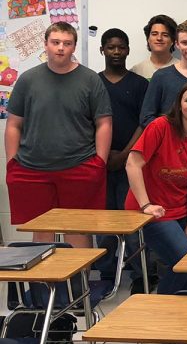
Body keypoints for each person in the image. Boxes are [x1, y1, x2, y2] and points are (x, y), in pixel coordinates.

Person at [5, 22, 112, 246]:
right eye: (55, 42)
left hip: (79, 166)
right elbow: (14, 124)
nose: (60, 48)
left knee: (78, 230)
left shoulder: (90, 79)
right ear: (45, 45)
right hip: (33, 169)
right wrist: (11, 163)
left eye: (67, 43)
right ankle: (46, 282)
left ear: (74, 47)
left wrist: (99, 162)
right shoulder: (27, 79)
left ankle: (80, 282)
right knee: (42, 232)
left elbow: (104, 123)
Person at [125, 81, 187, 295]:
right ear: (179, 104)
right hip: (151, 209)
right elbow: (132, 164)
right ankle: (163, 306)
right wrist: (146, 205)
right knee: (184, 259)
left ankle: (180, 308)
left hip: (182, 209)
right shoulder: (160, 126)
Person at [96, 28, 149, 282]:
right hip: (101, 163)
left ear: (128, 49)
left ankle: (141, 273)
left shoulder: (140, 84)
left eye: (121, 47)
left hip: (132, 162)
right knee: (105, 221)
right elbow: (89, 122)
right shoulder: (93, 82)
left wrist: (125, 154)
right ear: (102, 50)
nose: (116, 52)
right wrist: (104, 156)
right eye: (111, 47)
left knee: (134, 220)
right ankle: (106, 273)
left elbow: (144, 123)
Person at [131, 14, 177, 80]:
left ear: (173, 40)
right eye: (154, 34)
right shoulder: (136, 71)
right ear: (148, 39)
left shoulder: (182, 69)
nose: (159, 38)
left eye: (165, 35)